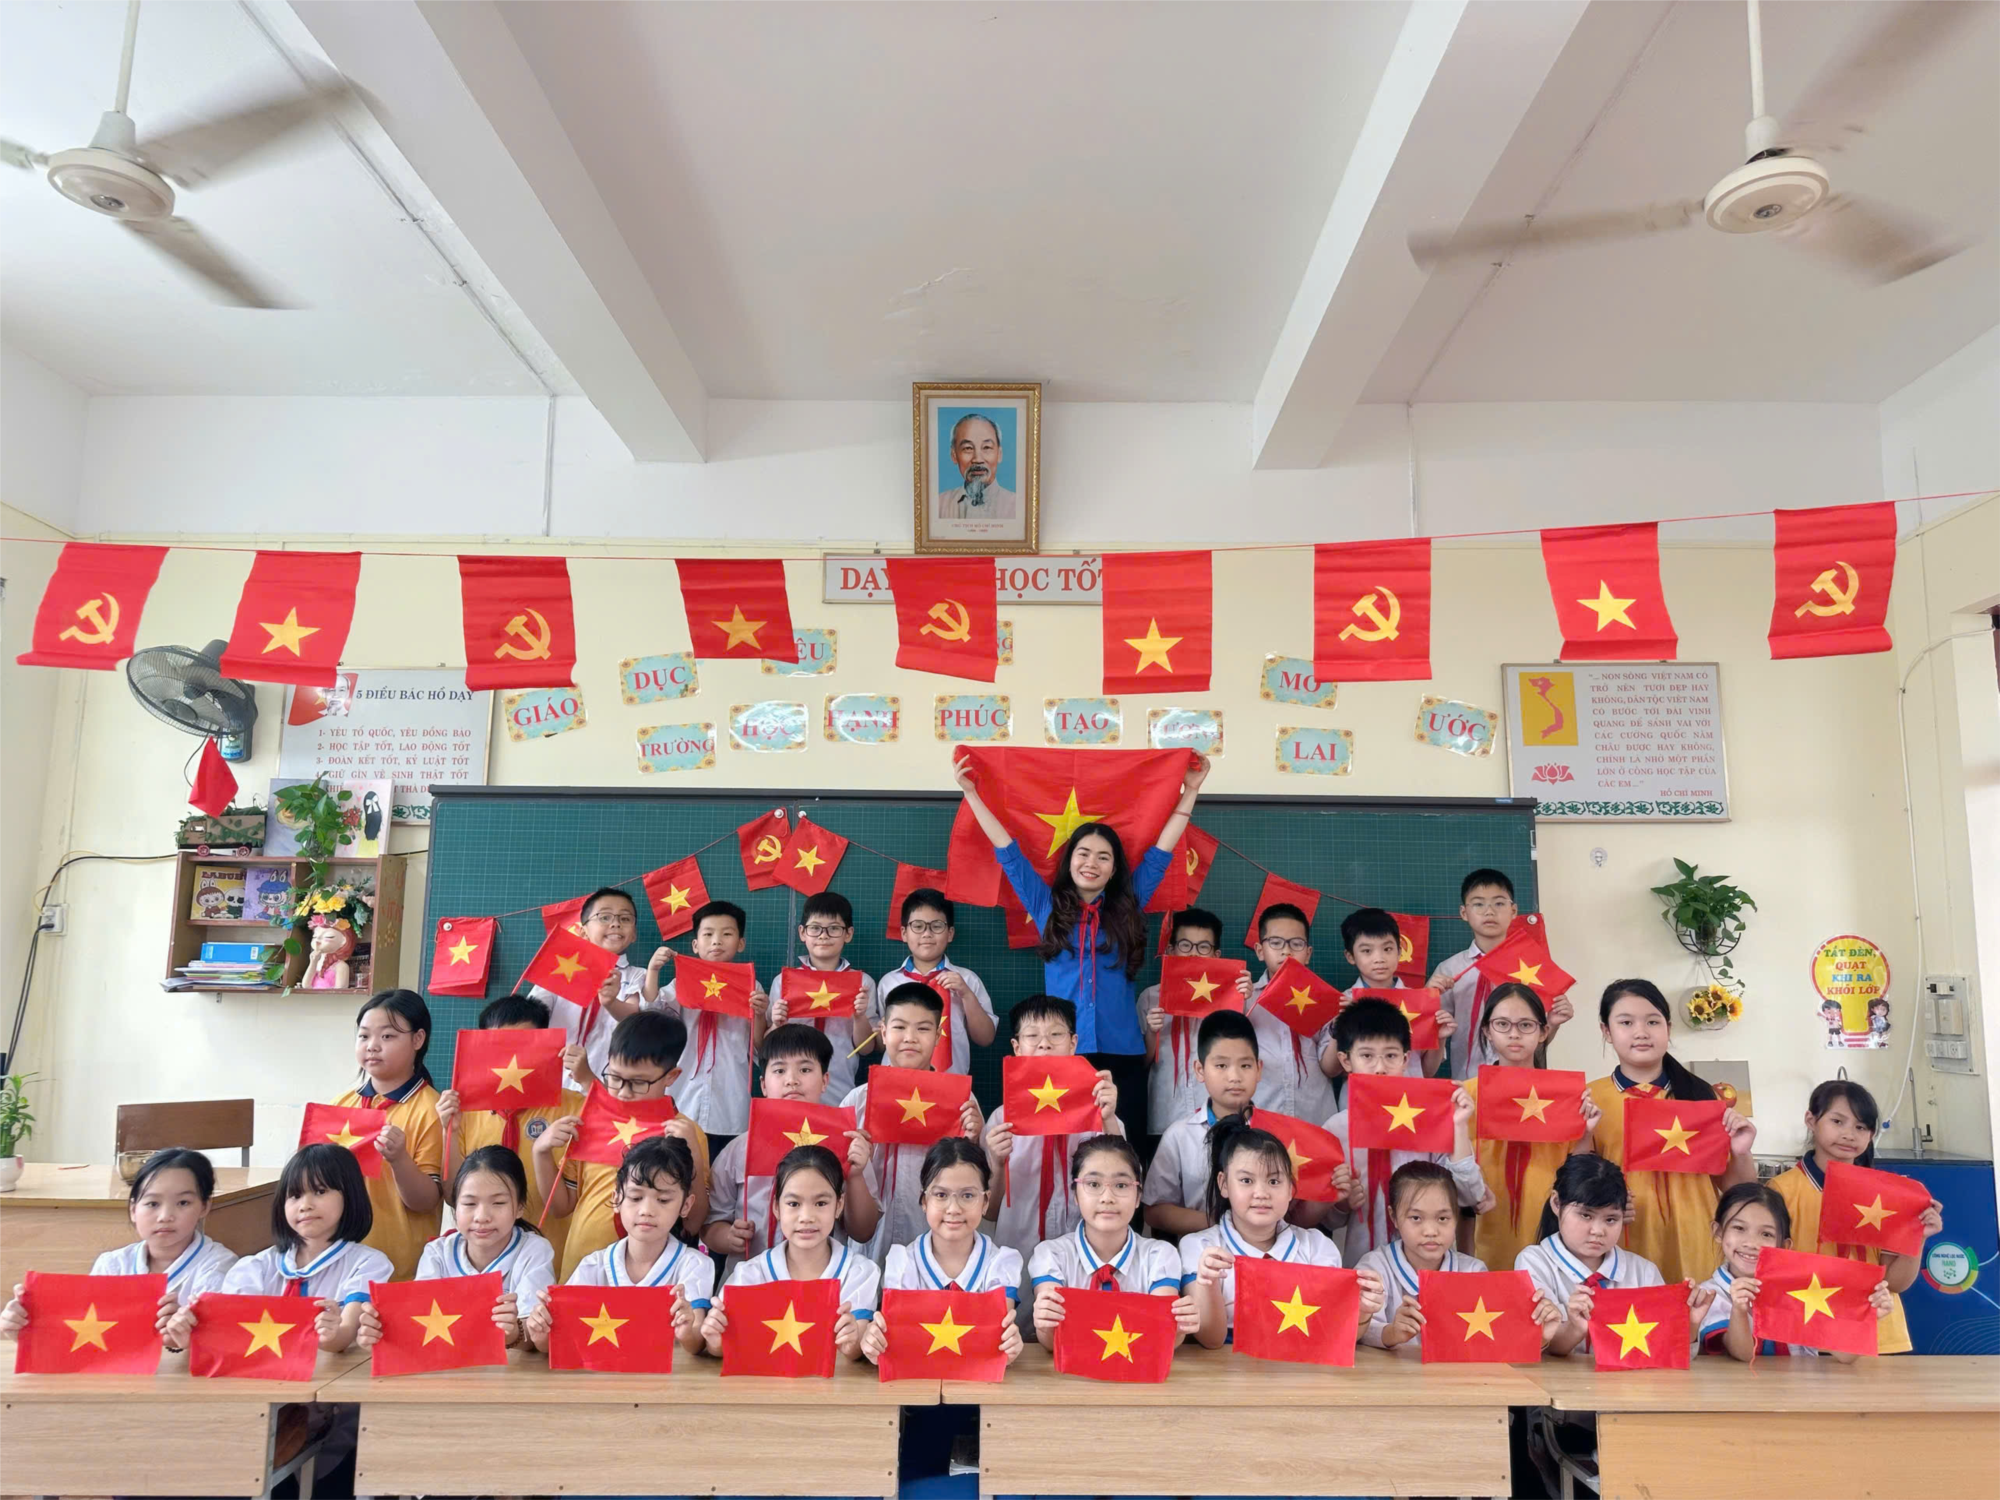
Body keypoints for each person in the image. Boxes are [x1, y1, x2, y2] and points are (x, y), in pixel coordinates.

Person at [953, 750, 1211, 1125]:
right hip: (1061, 1052)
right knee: (1065, 1148)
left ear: (1114, 869)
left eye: (1103, 857)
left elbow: (1161, 853)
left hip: (1123, 1055)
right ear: (1069, 860)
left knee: (1122, 1149)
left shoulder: (1129, 904)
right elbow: (1008, 853)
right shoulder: (1046, 906)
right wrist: (971, 794)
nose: (1092, 863)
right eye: (1083, 853)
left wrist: (1191, 791)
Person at [1585, 979, 1758, 1284]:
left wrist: (1740, 1151)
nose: (1641, 1032)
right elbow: (1579, 1184)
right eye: (1626, 1022)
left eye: (1653, 1022)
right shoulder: (1591, 1099)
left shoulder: (1702, 1096)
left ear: (1668, 1028)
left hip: (1695, 1239)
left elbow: (1738, 1191)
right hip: (1623, 1242)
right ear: (1606, 1032)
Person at [1766, 1080, 1942, 1355]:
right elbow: (1771, 1272)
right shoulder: (1782, 1190)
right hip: (1808, 1332)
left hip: (1877, 1334)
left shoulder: (1888, 1194)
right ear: (1811, 1120)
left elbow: (1895, 1283)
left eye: (1861, 1127)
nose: (1849, 1134)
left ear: (1871, 1134)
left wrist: (1917, 1237)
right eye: (1837, 1121)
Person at [1179, 1113, 1384, 1348]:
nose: (1261, 1193)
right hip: (1226, 1368)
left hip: (1300, 1367)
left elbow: (1336, 1332)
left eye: (1274, 1182)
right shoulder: (1200, 1247)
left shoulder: (1318, 1248)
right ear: (1224, 1184)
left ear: (1290, 1189)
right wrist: (1208, 1282)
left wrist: (1364, 1311)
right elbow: (1212, 1341)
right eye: (1246, 1181)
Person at [534, 1010, 711, 1279]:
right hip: (583, 1271)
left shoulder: (687, 1134)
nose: (624, 1092)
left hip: (651, 1278)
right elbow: (561, 1207)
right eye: (614, 1078)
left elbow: (693, 1223)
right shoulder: (591, 1120)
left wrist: (694, 1154)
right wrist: (541, 1153)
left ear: (671, 1076)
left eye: (639, 1083)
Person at [0, 1147, 236, 1349]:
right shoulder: (112, 1265)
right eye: (152, 1203)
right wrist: (27, 1330)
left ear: (204, 1206)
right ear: (133, 1210)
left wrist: (185, 1339)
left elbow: (221, 1348)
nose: (165, 1216)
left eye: (183, 1203)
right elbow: (84, 1340)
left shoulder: (220, 1267)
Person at [1318, 998, 1489, 1264]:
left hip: (1428, 1266)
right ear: (1346, 1060)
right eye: (1367, 1056)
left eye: (1391, 1056)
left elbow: (1469, 1195)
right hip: (1362, 1268)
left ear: (1406, 1059)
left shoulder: (1433, 1120)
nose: (1380, 1068)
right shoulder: (1336, 1130)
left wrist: (1458, 1125)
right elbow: (1329, 1221)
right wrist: (1342, 1203)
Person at [526, 1136, 714, 1356]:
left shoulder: (694, 1264)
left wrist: (687, 1332)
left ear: (686, 1205)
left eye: (663, 1200)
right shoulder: (593, 1266)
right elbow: (556, 1342)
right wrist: (541, 1332)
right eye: (635, 1197)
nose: (646, 1210)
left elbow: (696, 1342)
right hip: (602, 1375)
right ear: (616, 1199)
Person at [842, 981, 987, 1259]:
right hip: (870, 1246)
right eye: (899, 1027)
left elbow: (978, 1178)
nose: (910, 1038)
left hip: (937, 1245)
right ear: (883, 1032)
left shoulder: (961, 1099)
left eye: (923, 1029)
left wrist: (975, 1141)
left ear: (938, 1035)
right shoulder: (857, 1101)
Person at [705, 1023, 864, 1275]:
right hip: (751, 1281)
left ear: (825, 1081)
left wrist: (855, 1176)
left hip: (823, 1281)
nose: (792, 1080)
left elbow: (863, 1231)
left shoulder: (846, 1144)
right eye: (779, 1070)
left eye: (805, 1069)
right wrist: (728, 1237)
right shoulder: (738, 1150)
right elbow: (710, 1224)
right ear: (763, 1084)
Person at [435, 994, 581, 1266]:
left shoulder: (574, 1107)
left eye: (523, 1045)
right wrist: (449, 1133)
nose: (512, 1057)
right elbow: (453, 1196)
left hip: (553, 1259)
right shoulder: (462, 1109)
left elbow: (563, 1207)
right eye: (499, 1046)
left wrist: (589, 1079)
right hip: (482, 1263)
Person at [359, 1146, 553, 1351]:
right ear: (455, 1207)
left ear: (520, 1206)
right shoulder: (437, 1253)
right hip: (447, 1366)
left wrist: (513, 1333)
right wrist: (380, 1329)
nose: (482, 1217)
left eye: (498, 1203)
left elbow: (535, 1335)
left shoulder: (534, 1251)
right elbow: (419, 1319)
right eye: (469, 1204)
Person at [1463, 983, 1600, 1270]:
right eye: (1502, 1024)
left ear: (1543, 1032)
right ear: (1487, 1030)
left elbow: (1576, 1169)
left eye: (1525, 1025)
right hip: (1486, 1219)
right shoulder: (1468, 1095)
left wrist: (1586, 1132)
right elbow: (1457, 1165)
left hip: (1549, 1220)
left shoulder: (1565, 1095)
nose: (1514, 1034)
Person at [1517, 1154, 1710, 1358]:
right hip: (1555, 1378)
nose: (1598, 1231)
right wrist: (1575, 1328)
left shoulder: (1643, 1271)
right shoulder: (1534, 1262)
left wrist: (1690, 1323)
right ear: (1557, 1203)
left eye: (1610, 1219)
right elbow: (1545, 1345)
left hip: (1628, 1379)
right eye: (1586, 1215)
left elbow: (1663, 1350)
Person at [202, 1143, 391, 1350]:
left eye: (320, 1191)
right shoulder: (256, 1267)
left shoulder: (368, 1264)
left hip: (332, 1369)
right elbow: (236, 1333)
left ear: (350, 1195)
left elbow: (344, 1335)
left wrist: (330, 1335)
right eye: (295, 1195)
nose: (305, 1205)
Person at [703, 1145, 879, 1362]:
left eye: (821, 1203)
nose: (806, 1217)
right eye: (793, 1203)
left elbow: (854, 1347)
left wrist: (852, 1340)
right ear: (776, 1207)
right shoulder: (749, 1275)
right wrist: (715, 1340)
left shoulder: (859, 1272)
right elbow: (720, 1346)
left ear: (839, 1204)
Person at [864, 1138, 1027, 1368]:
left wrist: (1008, 1345)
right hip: (917, 1385)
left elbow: (996, 1341)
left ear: (985, 1201)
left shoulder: (1000, 1264)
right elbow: (897, 1343)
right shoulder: (903, 1263)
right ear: (924, 1201)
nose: (953, 1209)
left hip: (978, 1387)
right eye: (941, 1195)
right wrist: (876, 1344)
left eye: (968, 1195)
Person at [981, 996, 1123, 1256]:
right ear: (1017, 1047)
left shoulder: (1099, 1112)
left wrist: (1108, 1119)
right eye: (1032, 1036)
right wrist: (998, 1165)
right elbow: (989, 1211)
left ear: (1073, 1044)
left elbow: (1126, 1182)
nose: (1044, 1044)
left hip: (1084, 1254)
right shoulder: (1001, 1122)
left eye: (1056, 1034)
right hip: (1018, 1255)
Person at [1029, 1136, 1195, 1350]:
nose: (1107, 1197)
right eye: (1093, 1184)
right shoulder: (1051, 1255)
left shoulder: (1160, 1255)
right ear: (1075, 1195)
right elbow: (1053, 1341)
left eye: (1121, 1185)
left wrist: (1178, 1329)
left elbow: (1161, 1335)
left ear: (1138, 1197)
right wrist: (1044, 1322)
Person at [1696, 1182, 1893, 1362]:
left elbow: (1845, 1356)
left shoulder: (1804, 1288)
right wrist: (1739, 1311)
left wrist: (1870, 1316)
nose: (1752, 1243)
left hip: (1803, 1387)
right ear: (1718, 1232)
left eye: (1766, 1234)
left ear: (1784, 1246)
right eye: (1739, 1228)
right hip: (1745, 1388)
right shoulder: (1710, 1294)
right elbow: (1744, 1354)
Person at [328, 989, 443, 1280]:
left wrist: (399, 1159)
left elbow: (426, 1202)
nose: (372, 1046)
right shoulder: (341, 1105)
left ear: (418, 1039)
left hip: (400, 1269)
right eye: (364, 1036)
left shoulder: (433, 1110)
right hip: (338, 1264)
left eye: (388, 1036)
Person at [641, 900, 769, 1155]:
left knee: (722, 1169)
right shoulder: (682, 983)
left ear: (741, 943)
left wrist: (760, 1014)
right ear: (695, 945)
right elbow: (651, 1013)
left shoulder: (751, 987)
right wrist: (653, 971)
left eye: (727, 934)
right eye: (708, 934)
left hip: (730, 1102)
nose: (716, 941)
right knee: (679, 1165)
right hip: (683, 1099)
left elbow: (760, 1048)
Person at [1427, 870, 1573, 1078]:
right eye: (1478, 904)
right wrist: (1426, 998)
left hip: (1522, 1082)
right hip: (1468, 1082)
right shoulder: (1449, 970)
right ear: (1464, 913)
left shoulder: (1532, 968)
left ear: (1513, 911)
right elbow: (1428, 1032)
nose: (1489, 912)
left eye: (1498, 903)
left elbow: (1538, 1036)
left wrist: (1554, 1023)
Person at [1356, 1162, 1506, 1350]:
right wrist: (1391, 1333)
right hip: (1389, 1369)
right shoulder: (1374, 1268)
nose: (1430, 1231)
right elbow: (1358, 1329)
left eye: (1442, 1218)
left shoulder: (1473, 1272)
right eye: (1416, 1218)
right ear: (1394, 1217)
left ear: (1456, 1216)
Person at [1143, 1009, 1261, 1239]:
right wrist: (1223, 1222)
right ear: (1200, 1070)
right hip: (1201, 1253)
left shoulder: (1277, 1132)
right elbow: (1154, 1211)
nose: (1234, 1077)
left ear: (1259, 1069)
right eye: (1221, 1066)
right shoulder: (1179, 1136)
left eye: (1245, 1066)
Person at [1137, 907, 1253, 1142]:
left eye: (1203, 947)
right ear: (1171, 950)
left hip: (1218, 1114)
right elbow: (1141, 1063)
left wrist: (1245, 1002)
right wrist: (1151, 1033)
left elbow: (1245, 1054)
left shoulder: (1233, 997)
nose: (1193, 953)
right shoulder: (1150, 998)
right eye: (1185, 945)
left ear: (1216, 954)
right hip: (1166, 1112)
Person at [532, 887, 650, 1088]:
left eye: (625, 919)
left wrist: (611, 1002)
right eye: (604, 917)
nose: (615, 923)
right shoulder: (560, 967)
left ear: (634, 935)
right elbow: (533, 1016)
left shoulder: (638, 975)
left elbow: (635, 1020)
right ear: (583, 931)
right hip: (548, 1080)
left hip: (604, 1083)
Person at [875, 888, 998, 1077]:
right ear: (904, 933)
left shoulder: (966, 980)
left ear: (950, 933)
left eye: (937, 926)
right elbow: (879, 1043)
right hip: (896, 1081)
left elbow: (985, 1038)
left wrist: (966, 995)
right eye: (918, 926)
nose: (927, 934)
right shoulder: (889, 982)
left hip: (951, 1081)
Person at [769, 892, 876, 1099]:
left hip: (841, 1089)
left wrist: (859, 1017)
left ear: (848, 934)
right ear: (802, 933)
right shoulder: (784, 982)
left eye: (834, 928)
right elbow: (767, 1044)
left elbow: (866, 1049)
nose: (823, 936)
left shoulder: (862, 983)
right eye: (815, 928)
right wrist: (776, 1024)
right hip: (791, 1090)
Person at [1246, 902, 1340, 1124]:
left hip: (1315, 1118)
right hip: (1262, 1117)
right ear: (1260, 951)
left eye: (1296, 944)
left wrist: (1340, 1029)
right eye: (1275, 942)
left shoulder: (1326, 1001)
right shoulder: (1247, 999)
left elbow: (1331, 1069)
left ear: (1308, 954)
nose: (1286, 951)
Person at [1339, 907, 1451, 1079]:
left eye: (1387, 949)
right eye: (1367, 951)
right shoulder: (1343, 1002)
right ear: (1350, 956)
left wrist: (1440, 1037)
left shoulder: (1419, 1001)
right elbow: (1335, 1068)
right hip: (1362, 1093)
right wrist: (1346, 1019)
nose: (1379, 959)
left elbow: (1427, 1071)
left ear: (1399, 952)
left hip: (1409, 1092)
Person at [936, 412, 1018, 520]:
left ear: (999, 454)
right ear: (954, 455)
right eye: (968, 448)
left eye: (986, 447)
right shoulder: (938, 505)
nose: (978, 459)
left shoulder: (1017, 506)